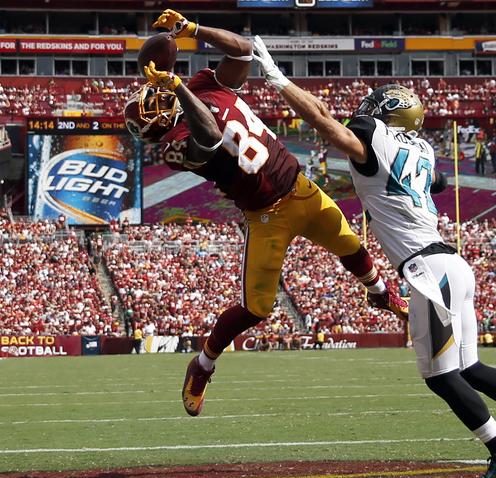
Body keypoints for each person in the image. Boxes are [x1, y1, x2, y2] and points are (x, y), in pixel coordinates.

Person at [253, 37, 496, 478]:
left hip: (428, 270)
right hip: (452, 266)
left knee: (441, 377)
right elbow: (438, 181)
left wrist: (277, 78)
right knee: (470, 368)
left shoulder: (373, 136)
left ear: (385, 114)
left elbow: (325, 122)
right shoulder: (422, 150)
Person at [124, 10, 408, 418]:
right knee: (256, 308)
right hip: (265, 215)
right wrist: (180, 87)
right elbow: (209, 134)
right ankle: (201, 365)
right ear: (157, 124)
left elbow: (244, 51)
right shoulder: (174, 143)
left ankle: (380, 293)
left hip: (300, 188)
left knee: (349, 243)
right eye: (151, 102)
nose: (155, 94)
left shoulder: (204, 83)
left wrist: (192, 30)